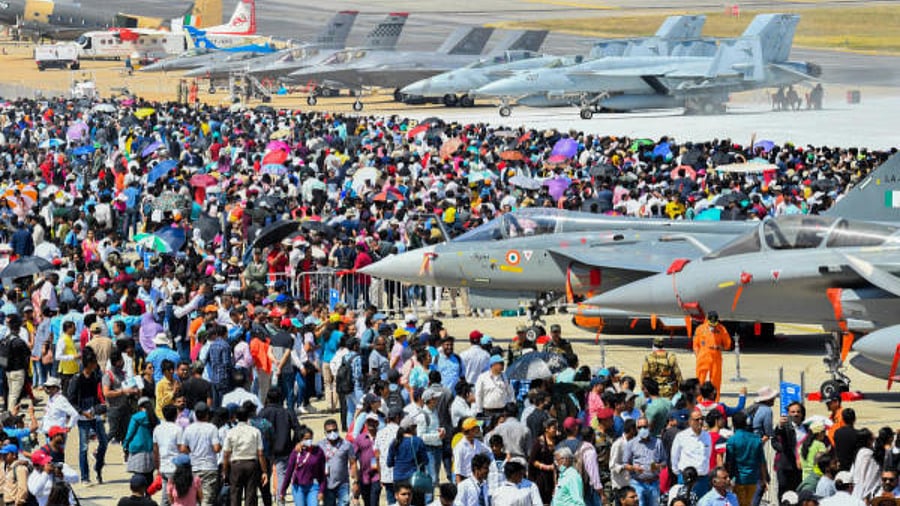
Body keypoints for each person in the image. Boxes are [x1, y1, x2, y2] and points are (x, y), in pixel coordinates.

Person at [222, 404, 268, 506]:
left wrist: (225, 471)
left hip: (236, 466)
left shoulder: (231, 432)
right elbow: (260, 453)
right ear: (248, 417)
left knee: (235, 495)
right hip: (251, 465)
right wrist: (264, 471)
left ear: (236, 417)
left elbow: (226, 454)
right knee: (251, 496)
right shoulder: (255, 432)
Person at [178, 402, 221, 506]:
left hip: (194, 467)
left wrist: (192, 451)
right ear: (207, 414)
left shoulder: (189, 429)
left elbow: (182, 448)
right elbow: (216, 448)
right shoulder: (212, 428)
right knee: (207, 499)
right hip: (209, 467)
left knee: (195, 499)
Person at [725, 411, 767, 506]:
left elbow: (729, 462)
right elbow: (762, 462)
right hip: (754, 479)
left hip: (738, 480)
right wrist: (764, 479)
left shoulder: (732, 440)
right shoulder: (756, 439)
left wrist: (728, 478)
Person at [623, 416, 666, 506]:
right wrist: (634, 468)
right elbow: (625, 464)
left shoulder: (658, 442)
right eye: (640, 427)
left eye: (645, 427)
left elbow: (664, 461)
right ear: (636, 429)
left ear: (649, 427)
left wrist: (658, 466)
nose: (642, 429)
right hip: (637, 483)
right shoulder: (631, 444)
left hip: (653, 483)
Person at [279, 426, 326, 506]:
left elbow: (323, 473)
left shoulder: (318, 451)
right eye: (306, 439)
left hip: (313, 486)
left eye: (310, 438)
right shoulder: (295, 453)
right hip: (298, 487)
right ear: (301, 440)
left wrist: (321, 490)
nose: (309, 441)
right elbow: (289, 472)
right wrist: (283, 491)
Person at [671, 410, 712, 498]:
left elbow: (708, 455)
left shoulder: (707, 436)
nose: (700, 422)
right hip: (686, 479)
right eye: (697, 419)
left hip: (703, 480)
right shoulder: (681, 436)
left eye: (702, 419)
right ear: (690, 421)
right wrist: (679, 473)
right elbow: (674, 457)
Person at [692, 311, 731, 400]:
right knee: (700, 380)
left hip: (716, 357)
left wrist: (721, 347)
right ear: (707, 320)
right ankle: (698, 401)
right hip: (703, 357)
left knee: (715, 381)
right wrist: (698, 356)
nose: (713, 325)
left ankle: (714, 402)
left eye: (715, 323)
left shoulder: (721, 329)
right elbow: (695, 345)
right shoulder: (700, 329)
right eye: (711, 323)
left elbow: (728, 344)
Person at [318, 418, 355, 506]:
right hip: (327, 484)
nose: (332, 433)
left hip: (343, 483)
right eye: (329, 431)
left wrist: (355, 481)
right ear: (325, 433)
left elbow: (353, 463)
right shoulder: (320, 445)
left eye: (334, 430)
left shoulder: (346, 445)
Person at [154, 405, 183, 506]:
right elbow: (181, 449)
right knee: (177, 498)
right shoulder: (178, 430)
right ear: (176, 415)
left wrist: (158, 468)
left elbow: (155, 450)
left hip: (163, 468)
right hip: (175, 469)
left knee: (166, 497)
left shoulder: (157, 429)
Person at [125, 397, 159, 483]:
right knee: (149, 475)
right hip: (151, 449)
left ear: (140, 407)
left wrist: (125, 444)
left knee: (138, 476)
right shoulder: (155, 418)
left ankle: (140, 494)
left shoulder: (135, 417)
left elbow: (130, 433)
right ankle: (148, 494)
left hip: (137, 449)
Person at [353, 414, 381, 506]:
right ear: (365, 423)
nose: (371, 424)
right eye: (369, 422)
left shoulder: (381, 437)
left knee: (374, 501)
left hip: (377, 475)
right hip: (364, 476)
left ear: (377, 423)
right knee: (367, 502)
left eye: (373, 421)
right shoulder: (360, 439)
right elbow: (353, 458)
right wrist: (355, 477)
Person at [528, 419, 558, 505]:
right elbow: (532, 460)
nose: (556, 430)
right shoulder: (539, 442)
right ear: (546, 429)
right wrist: (546, 467)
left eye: (556, 428)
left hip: (553, 475)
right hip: (541, 476)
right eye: (554, 428)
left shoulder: (557, 440)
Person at [454, 418, 490, 483]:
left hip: (477, 479)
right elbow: (457, 469)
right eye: (476, 428)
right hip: (465, 479)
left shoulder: (478, 443)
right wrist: (459, 486)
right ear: (470, 430)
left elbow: (489, 451)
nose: (478, 430)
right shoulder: (460, 447)